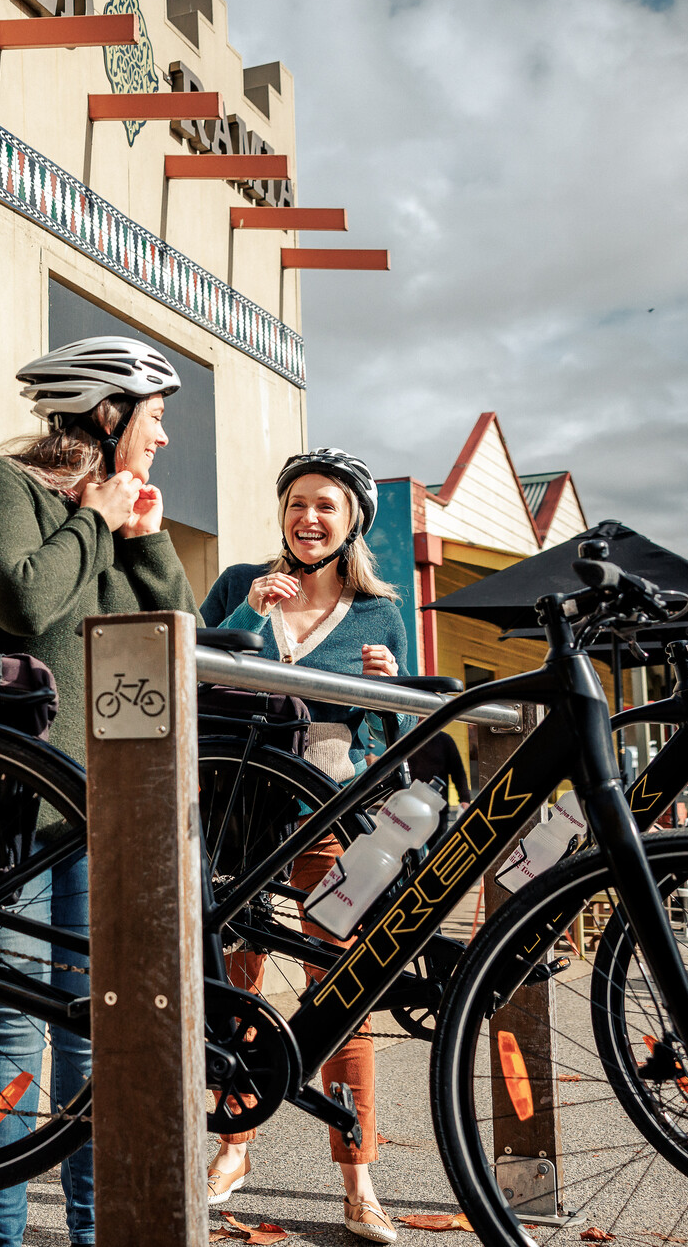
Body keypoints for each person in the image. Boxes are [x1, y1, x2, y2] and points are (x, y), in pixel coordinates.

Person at [0, 335, 199, 1247]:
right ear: (106, 411)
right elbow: (23, 602)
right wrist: (93, 515)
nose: (163, 439)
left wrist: (147, 535)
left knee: (98, 1032)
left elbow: (173, 636)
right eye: (156, 419)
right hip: (9, 806)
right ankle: (3, 1241)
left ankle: (92, 1235)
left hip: (99, 817)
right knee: (11, 1024)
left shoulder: (114, 517)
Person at [198, 448, 408, 1245]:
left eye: (325, 505)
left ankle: (359, 1179)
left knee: (342, 993)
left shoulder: (379, 613)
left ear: (352, 519)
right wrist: (249, 612)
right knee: (237, 987)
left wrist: (387, 689)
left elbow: (390, 738)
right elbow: (190, 672)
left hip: (330, 820)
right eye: (297, 504)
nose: (309, 517)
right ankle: (233, 1148)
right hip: (237, 820)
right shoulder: (241, 586)